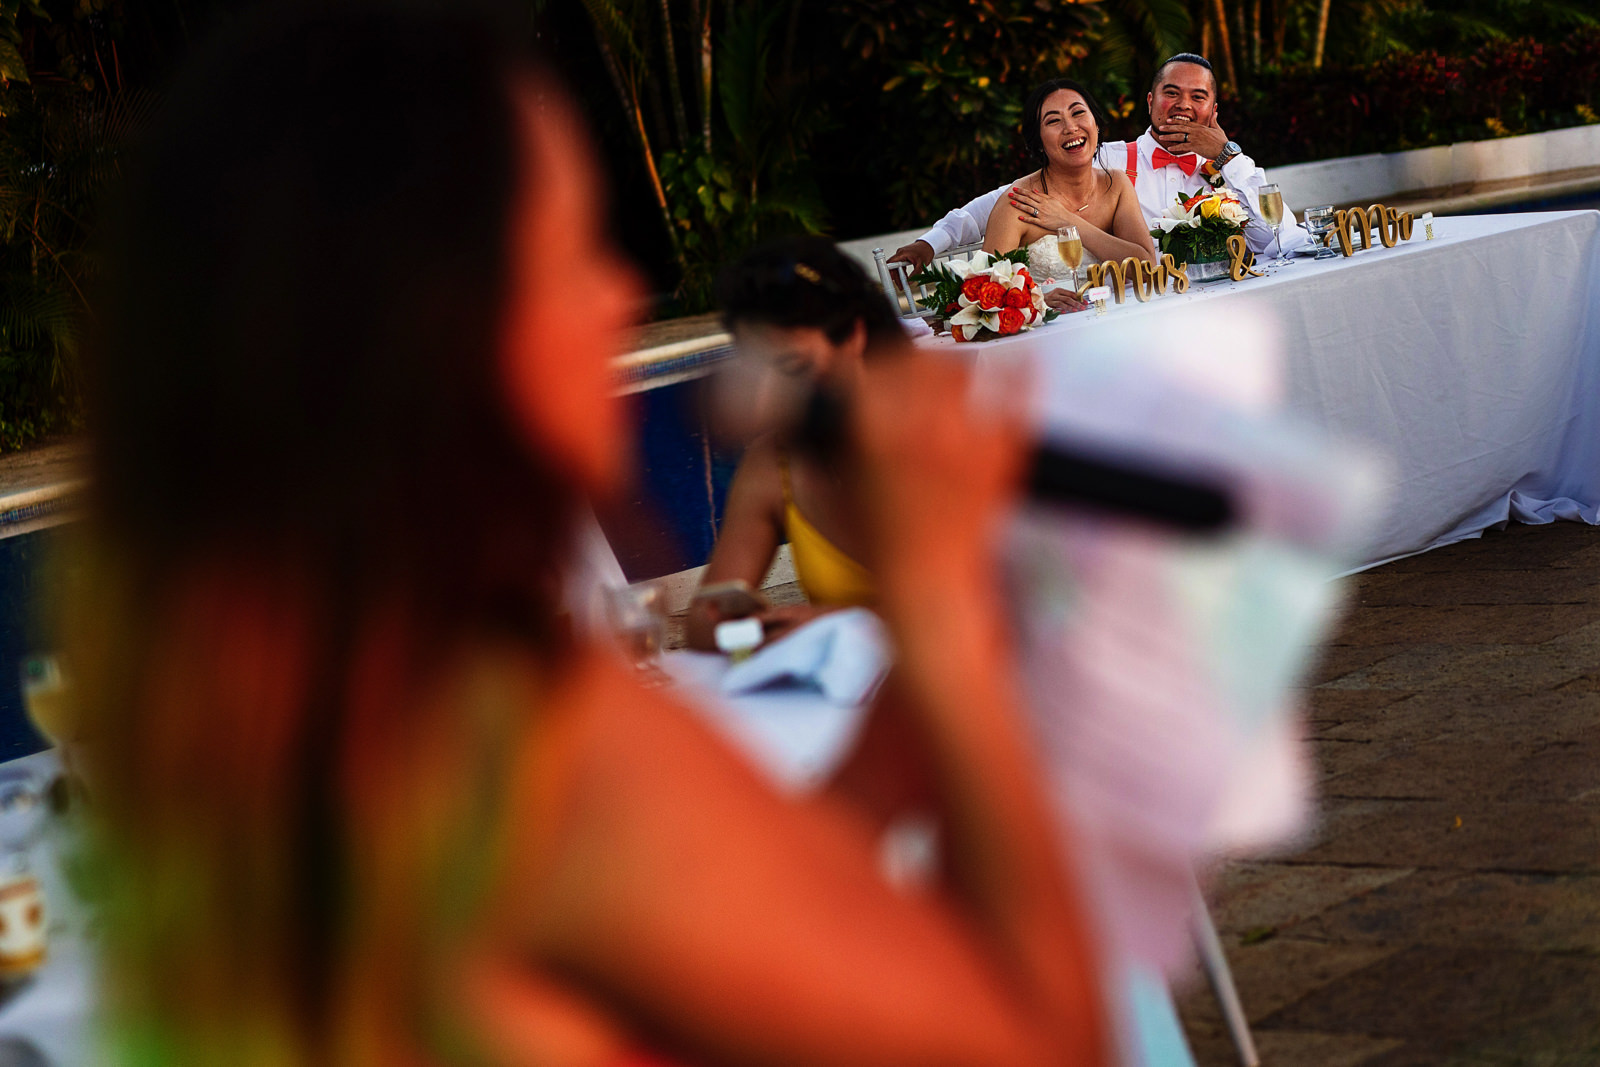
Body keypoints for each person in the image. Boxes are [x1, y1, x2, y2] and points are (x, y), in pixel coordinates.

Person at [72, 3, 1110, 1064]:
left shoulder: (247, 701)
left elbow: (696, 939)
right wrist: (940, 606)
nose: (620, 293)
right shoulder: (535, 753)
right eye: (573, 251)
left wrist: (884, 764)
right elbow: (1039, 1035)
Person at [889, 54, 1308, 293]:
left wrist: (1229, 157)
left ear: (1212, 110)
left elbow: (1283, 237)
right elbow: (1004, 202)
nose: (1182, 105)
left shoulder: (1231, 172)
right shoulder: (1105, 161)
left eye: (1197, 97)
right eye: (1171, 93)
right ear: (1150, 101)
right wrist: (932, 241)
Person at [685, 237, 903, 651]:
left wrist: (837, 621)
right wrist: (748, 626)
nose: (773, 394)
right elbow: (701, 622)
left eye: (793, 367)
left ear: (855, 335)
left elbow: (1001, 602)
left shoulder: (933, 439)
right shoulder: (774, 462)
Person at [981, 79, 1156, 294]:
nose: (1071, 127)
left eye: (1078, 113)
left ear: (1096, 124)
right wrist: (1038, 302)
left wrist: (1069, 222)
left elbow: (1148, 270)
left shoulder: (1116, 185)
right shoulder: (1019, 202)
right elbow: (989, 293)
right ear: (1038, 142)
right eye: (1054, 120)